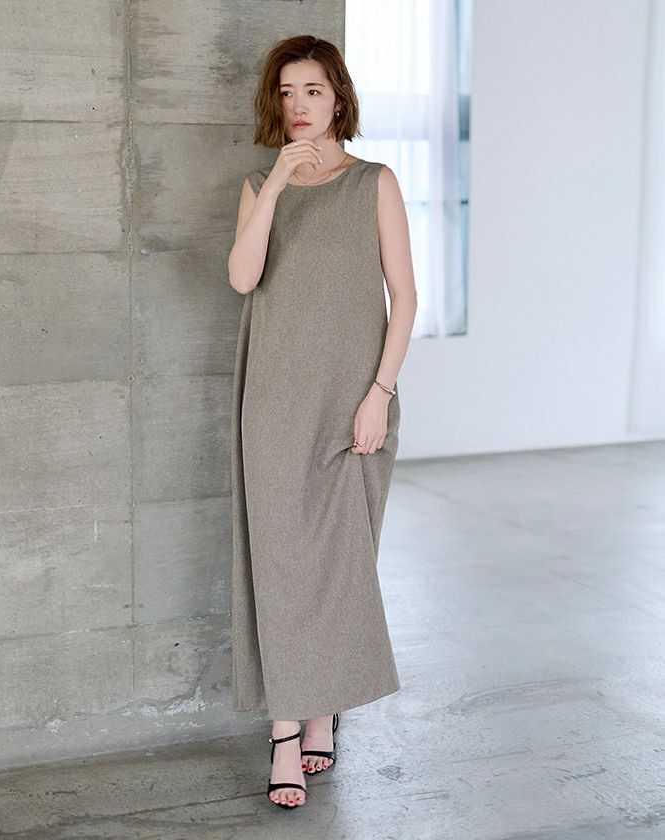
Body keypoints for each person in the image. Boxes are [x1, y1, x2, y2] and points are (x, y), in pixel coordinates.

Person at [228, 35, 417, 809]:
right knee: (280, 566)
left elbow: (405, 297)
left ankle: (321, 711)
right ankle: (286, 730)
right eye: (286, 91)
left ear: (338, 96)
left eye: (311, 90)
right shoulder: (259, 184)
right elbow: (243, 278)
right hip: (274, 406)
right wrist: (276, 184)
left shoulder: (374, 182)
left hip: (353, 405)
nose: (298, 104)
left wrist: (379, 393)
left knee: (340, 566)